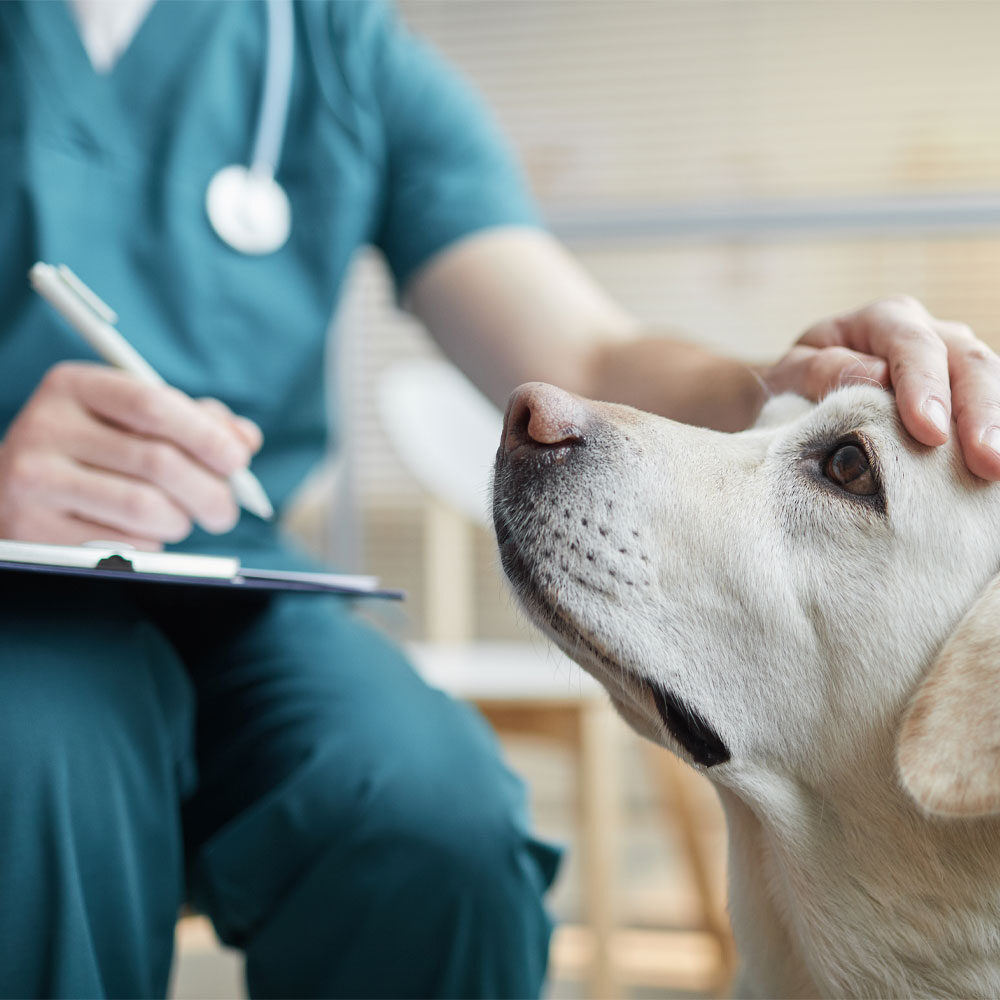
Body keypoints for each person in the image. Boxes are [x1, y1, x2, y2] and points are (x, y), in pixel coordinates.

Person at [1, 2, 998, 998]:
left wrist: (798, 374)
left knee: (438, 819)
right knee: (36, 765)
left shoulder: (331, 48)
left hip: (237, 588)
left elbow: (586, 355)